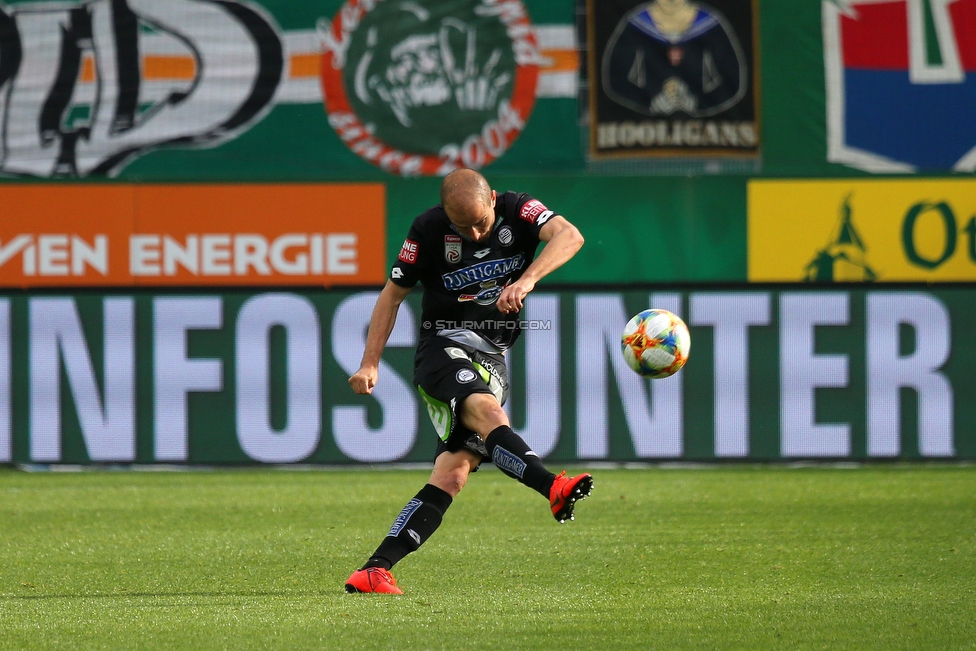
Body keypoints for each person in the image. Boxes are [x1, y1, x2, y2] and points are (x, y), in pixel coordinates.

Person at [344, 168, 591, 594]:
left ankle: (374, 569)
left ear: (493, 199)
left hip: (492, 357)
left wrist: (527, 279)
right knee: (489, 411)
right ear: (446, 214)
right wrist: (370, 363)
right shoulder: (427, 230)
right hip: (442, 348)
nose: (476, 234)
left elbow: (570, 235)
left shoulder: (518, 209)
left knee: (452, 474)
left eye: (481, 222)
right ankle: (553, 485)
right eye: (464, 226)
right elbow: (393, 294)